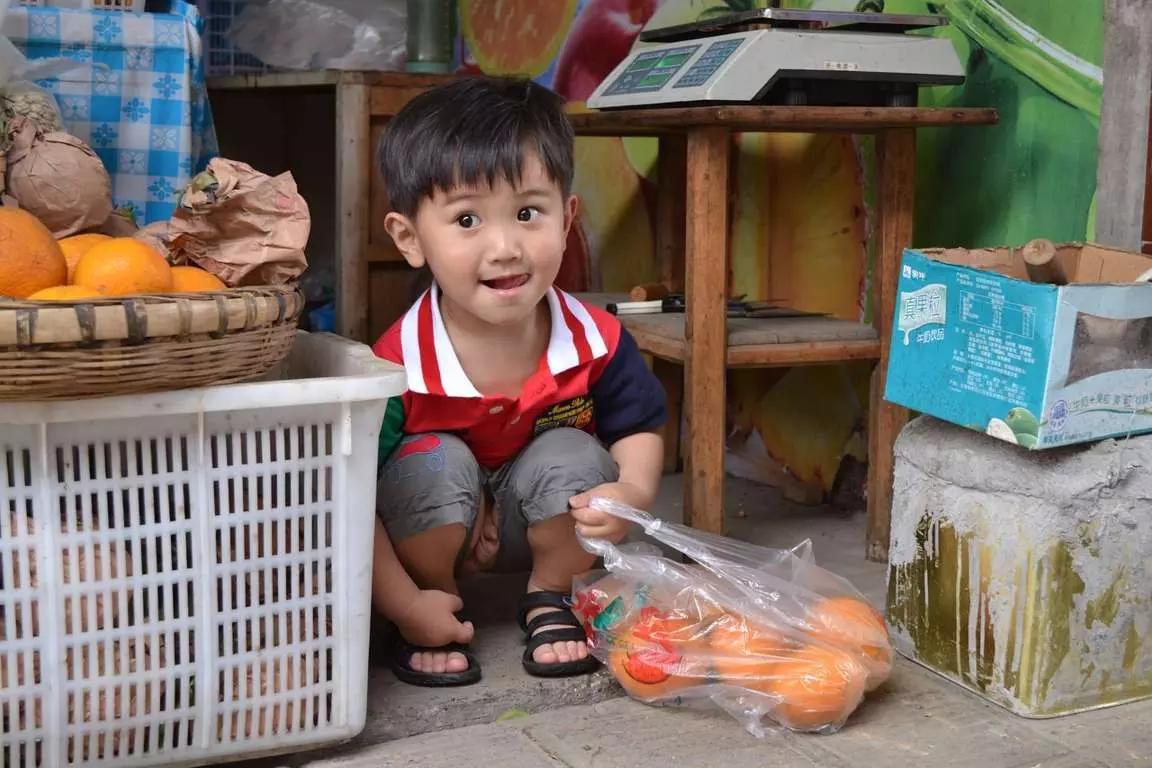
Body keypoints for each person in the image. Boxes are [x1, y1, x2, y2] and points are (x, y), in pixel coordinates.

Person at [370, 75, 667, 686]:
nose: (506, 247)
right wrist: (402, 604)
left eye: (529, 212)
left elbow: (638, 424)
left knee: (575, 453)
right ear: (409, 238)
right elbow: (348, 499)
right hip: (435, 531)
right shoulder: (397, 366)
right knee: (431, 460)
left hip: (535, 525)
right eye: (468, 219)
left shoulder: (595, 339)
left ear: (568, 219)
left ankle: (550, 595)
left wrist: (633, 492)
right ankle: (432, 606)